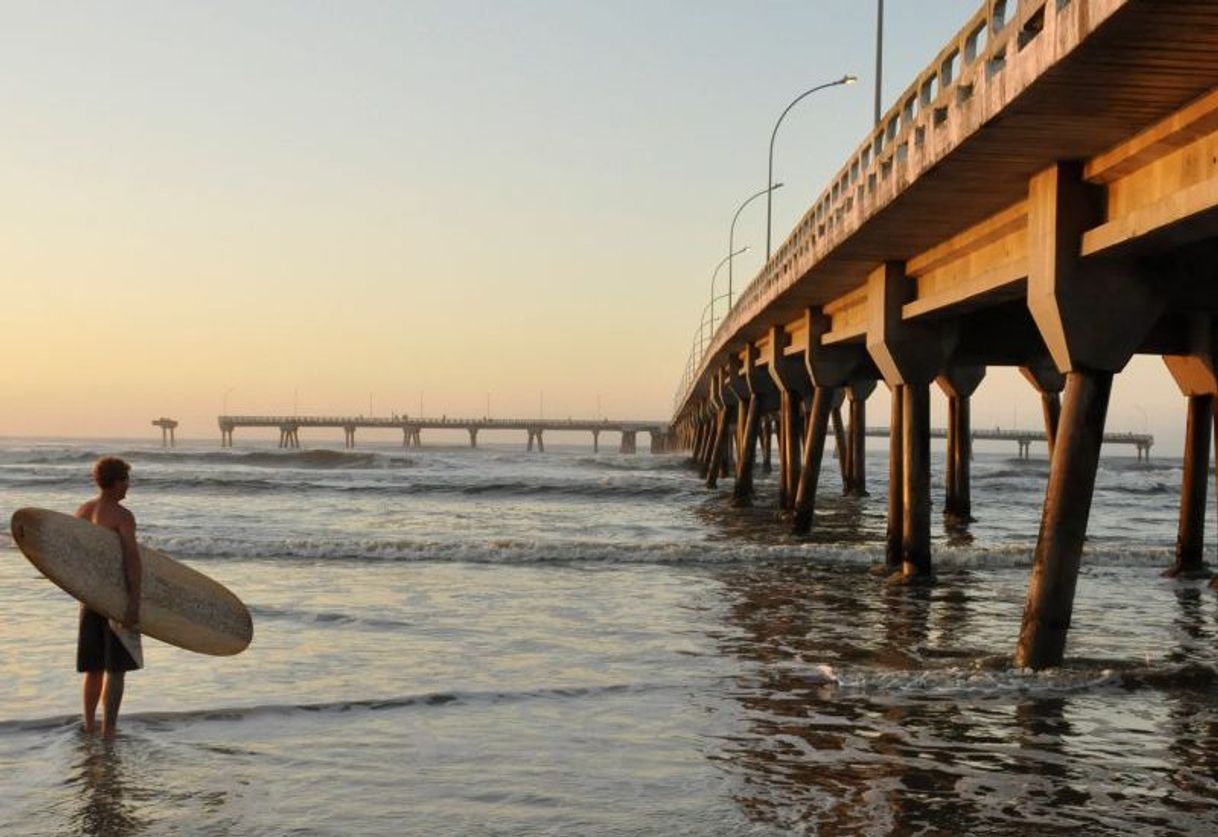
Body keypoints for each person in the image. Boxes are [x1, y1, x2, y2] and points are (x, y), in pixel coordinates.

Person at [75, 457, 142, 737]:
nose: (128, 486)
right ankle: (109, 730)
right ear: (116, 483)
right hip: (115, 600)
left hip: (90, 599)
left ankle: (89, 725)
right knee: (116, 669)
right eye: (126, 480)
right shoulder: (122, 516)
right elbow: (131, 562)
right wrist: (134, 603)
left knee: (93, 667)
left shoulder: (83, 510)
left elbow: (72, 557)